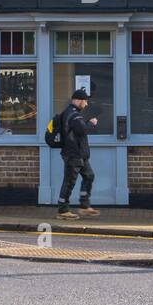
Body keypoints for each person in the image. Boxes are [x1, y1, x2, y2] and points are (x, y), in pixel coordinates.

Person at [56, 88, 100, 220]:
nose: (86, 104)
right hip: (73, 154)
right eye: (85, 101)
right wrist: (91, 124)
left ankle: (84, 205)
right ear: (78, 101)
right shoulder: (73, 114)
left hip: (80, 154)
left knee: (89, 176)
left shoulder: (69, 113)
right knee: (69, 182)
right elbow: (82, 130)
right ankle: (63, 210)